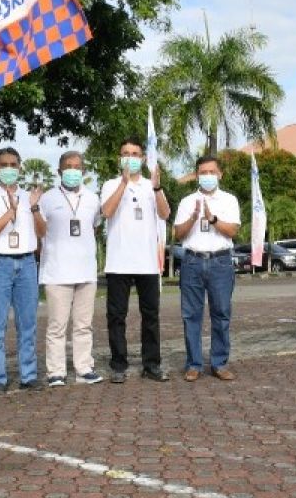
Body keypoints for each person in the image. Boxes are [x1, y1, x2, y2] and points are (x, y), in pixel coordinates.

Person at [100, 137, 171, 384]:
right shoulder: (110, 184)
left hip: (147, 263)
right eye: (125, 153)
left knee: (150, 315)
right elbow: (107, 212)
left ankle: (151, 364)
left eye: (135, 153)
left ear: (142, 158)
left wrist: (158, 187)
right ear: (120, 158)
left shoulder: (151, 187)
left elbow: (164, 214)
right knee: (117, 316)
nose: (130, 157)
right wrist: (123, 183)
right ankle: (118, 364)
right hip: (118, 262)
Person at [0, 147, 44, 394]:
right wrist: (10, 212)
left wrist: (34, 208)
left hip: (27, 262)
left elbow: (42, 232)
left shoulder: (30, 197)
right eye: (4, 164)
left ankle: (28, 375)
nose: (9, 169)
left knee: (28, 323)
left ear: (20, 167)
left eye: (14, 164)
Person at [35, 151, 103, 387]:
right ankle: (56, 372)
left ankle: (84, 368)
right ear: (59, 171)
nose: (73, 171)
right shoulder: (47, 198)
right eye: (68, 167)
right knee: (57, 325)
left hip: (86, 270)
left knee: (84, 324)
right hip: (56, 271)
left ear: (83, 171)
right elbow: (40, 230)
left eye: (77, 167)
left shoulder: (93, 199)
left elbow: (93, 228)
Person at [173, 154, 241, 382]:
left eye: (212, 172)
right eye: (203, 172)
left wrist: (212, 219)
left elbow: (232, 231)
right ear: (196, 175)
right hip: (192, 261)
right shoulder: (186, 201)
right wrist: (194, 217)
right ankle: (194, 364)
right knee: (191, 315)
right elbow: (178, 234)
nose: (208, 176)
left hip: (220, 262)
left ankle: (219, 363)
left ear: (220, 174)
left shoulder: (229, 200)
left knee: (221, 314)